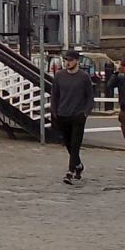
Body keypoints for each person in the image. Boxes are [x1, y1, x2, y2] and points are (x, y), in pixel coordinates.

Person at [51, 50, 95, 184]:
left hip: (78, 115)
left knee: (76, 144)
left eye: (70, 60)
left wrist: (85, 113)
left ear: (77, 61)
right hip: (63, 114)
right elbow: (55, 96)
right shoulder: (59, 76)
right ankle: (78, 165)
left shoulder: (84, 77)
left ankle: (70, 172)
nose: (67, 63)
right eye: (65, 60)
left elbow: (90, 97)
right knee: (68, 144)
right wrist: (54, 111)